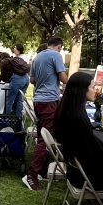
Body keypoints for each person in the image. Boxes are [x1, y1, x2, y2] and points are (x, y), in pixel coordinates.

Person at [52, 71, 103, 191]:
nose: (95, 90)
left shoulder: (68, 109)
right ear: (82, 90)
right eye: (92, 87)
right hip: (85, 178)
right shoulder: (77, 117)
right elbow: (92, 156)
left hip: (76, 171)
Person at [23, 36, 67, 191]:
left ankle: (41, 170)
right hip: (49, 101)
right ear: (59, 46)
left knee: (43, 136)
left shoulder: (37, 58)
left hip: (38, 101)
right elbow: (63, 78)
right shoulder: (56, 55)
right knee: (45, 140)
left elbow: (33, 80)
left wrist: (46, 78)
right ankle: (32, 175)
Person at [0, 45, 31, 117]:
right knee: (20, 99)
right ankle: (18, 118)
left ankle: (7, 117)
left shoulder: (4, 62)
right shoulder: (13, 59)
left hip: (18, 79)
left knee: (10, 99)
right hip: (26, 78)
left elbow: (3, 76)